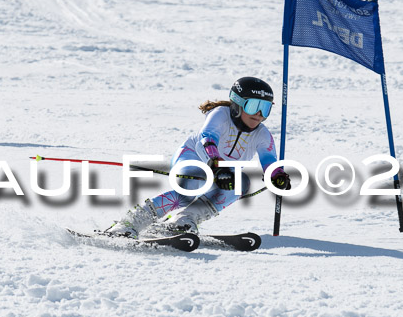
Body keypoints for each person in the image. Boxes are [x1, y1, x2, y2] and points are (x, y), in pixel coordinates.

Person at [107, 76, 291, 238]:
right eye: (254, 106)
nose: (259, 115)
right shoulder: (220, 115)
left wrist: (277, 176)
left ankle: (183, 221)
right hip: (192, 158)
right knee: (190, 188)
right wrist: (217, 166)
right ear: (237, 104)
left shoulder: (262, 134)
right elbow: (207, 140)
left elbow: (269, 161)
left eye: (265, 108)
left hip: (222, 172)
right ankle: (130, 223)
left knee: (240, 183)